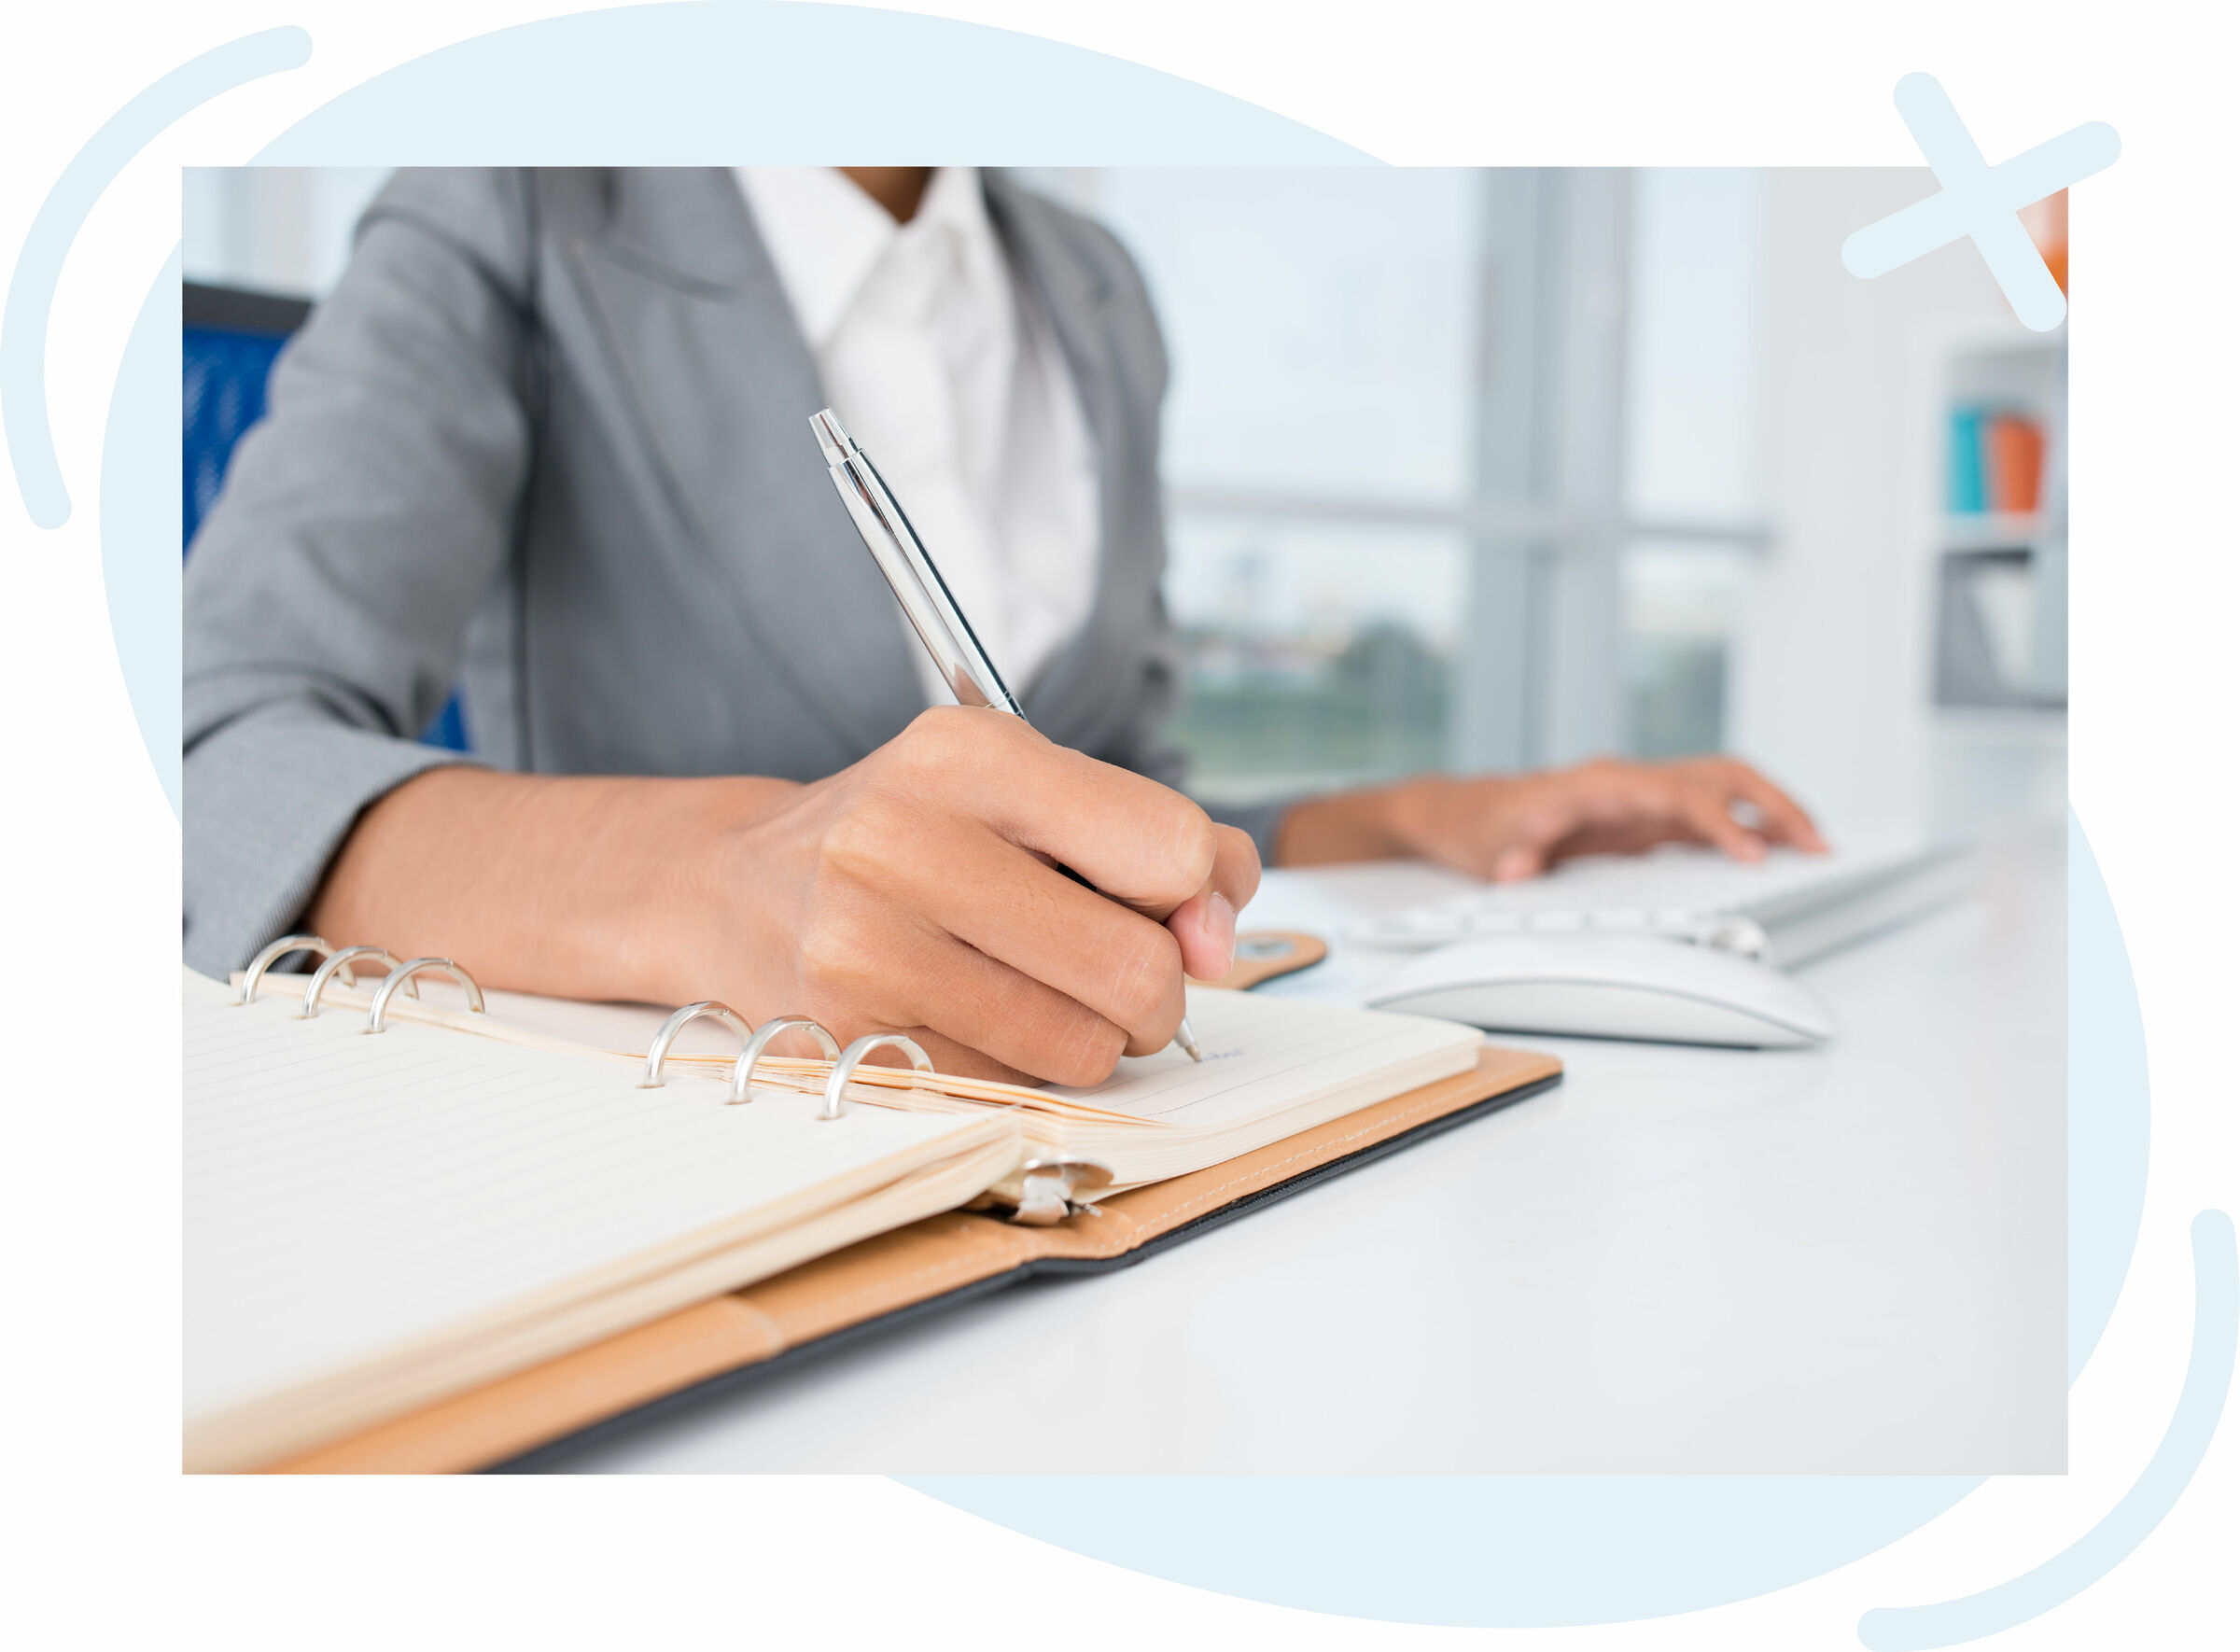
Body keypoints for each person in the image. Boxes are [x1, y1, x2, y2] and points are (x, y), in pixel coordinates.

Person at [184, 166, 1822, 1085]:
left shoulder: (1096, 284)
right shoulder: (510, 210)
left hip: (1106, 1164)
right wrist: (731, 879)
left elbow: (1110, 799)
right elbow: (203, 757)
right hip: (700, 1143)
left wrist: (1416, 816)